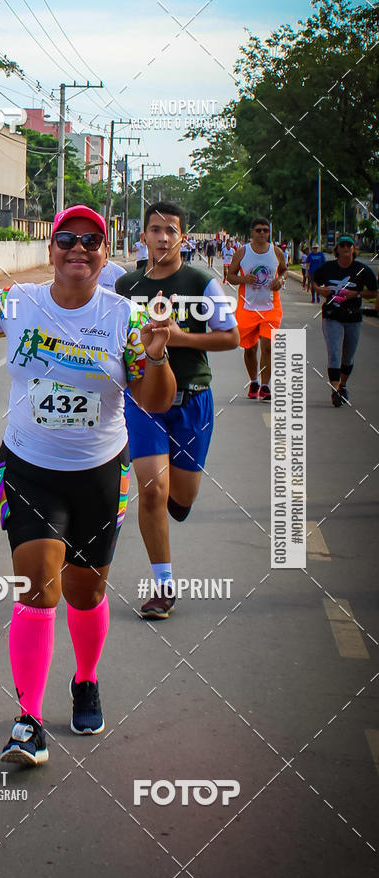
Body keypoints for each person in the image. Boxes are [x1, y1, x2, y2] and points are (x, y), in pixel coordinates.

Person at [0, 205, 175, 765]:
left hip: (98, 476)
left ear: (105, 254)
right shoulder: (17, 303)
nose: (78, 249)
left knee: (85, 594)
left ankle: (85, 679)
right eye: (67, 239)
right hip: (28, 470)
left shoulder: (125, 320)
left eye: (92, 241)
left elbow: (155, 401)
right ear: (51, 250)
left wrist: (156, 359)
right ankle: (29, 720)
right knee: (38, 586)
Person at [114, 201, 239, 619]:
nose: (163, 237)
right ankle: (163, 587)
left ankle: (174, 499)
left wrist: (180, 339)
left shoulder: (202, 282)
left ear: (182, 237)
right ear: (144, 236)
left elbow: (231, 338)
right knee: (151, 491)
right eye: (155, 229)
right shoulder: (126, 287)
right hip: (144, 402)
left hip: (192, 399)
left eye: (171, 230)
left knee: (180, 499)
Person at [312, 235, 377, 406]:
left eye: (349, 245)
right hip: (332, 315)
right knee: (334, 353)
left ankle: (343, 385)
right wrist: (320, 291)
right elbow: (315, 282)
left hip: (353, 316)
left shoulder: (362, 270)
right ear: (337, 249)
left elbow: (373, 292)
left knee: (348, 357)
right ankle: (335, 392)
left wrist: (357, 294)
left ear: (354, 248)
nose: (346, 248)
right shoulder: (328, 268)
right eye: (342, 245)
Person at [227, 216, 288, 401]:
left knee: (268, 346)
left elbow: (284, 270)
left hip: (271, 307)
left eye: (266, 230)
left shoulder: (276, 252)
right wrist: (243, 279)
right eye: (259, 230)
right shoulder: (242, 252)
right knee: (250, 348)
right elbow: (230, 276)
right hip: (247, 307)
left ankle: (265, 385)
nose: (263, 233)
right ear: (252, 232)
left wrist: (280, 280)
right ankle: (253, 381)